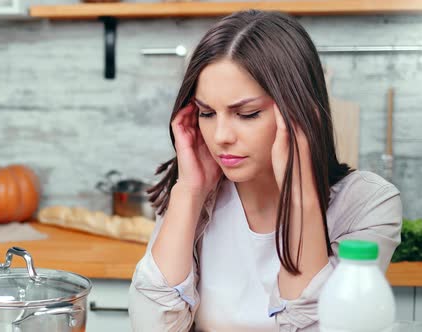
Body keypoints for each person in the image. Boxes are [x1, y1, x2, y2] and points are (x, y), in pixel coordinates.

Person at [128, 9, 402, 332]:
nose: (220, 137)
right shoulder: (196, 193)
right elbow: (151, 326)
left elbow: (317, 327)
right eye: (206, 113)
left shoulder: (368, 205)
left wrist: (300, 195)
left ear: (299, 114)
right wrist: (188, 192)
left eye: (247, 113)